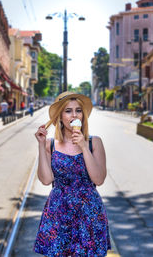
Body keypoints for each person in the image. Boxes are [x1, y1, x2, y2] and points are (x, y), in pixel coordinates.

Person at [34, 91, 111, 256]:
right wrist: (41, 145)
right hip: (59, 211)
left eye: (78, 110)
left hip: (89, 212)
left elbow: (99, 178)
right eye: (68, 111)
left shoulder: (94, 143)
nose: (74, 114)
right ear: (60, 117)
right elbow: (46, 180)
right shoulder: (50, 145)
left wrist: (83, 146)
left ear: (83, 115)